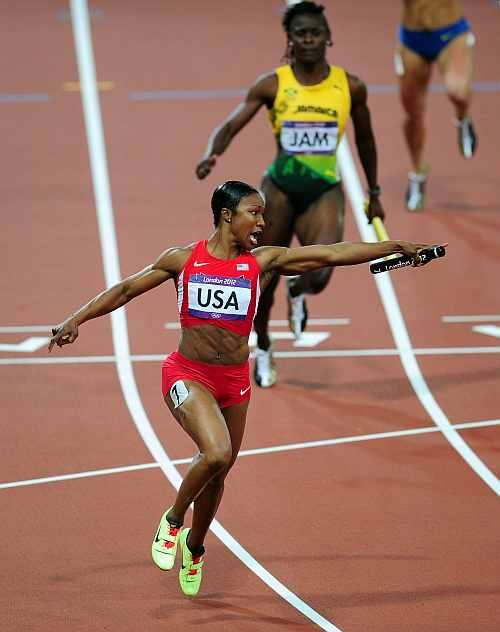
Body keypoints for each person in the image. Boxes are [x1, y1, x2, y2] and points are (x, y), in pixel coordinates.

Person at [48, 180, 431, 597]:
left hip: (233, 382)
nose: (263, 223)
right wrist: (76, 318)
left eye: (263, 214)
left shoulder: (262, 262)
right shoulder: (182, 259)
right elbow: (124, 289)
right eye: (255, 212)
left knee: (219, 474)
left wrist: (393, 246)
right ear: (227, 215)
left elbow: (332, 253)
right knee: (216, 452)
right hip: (186, 375)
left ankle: (195, 546)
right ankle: (174, 521)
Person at [196, 1, 385, 388]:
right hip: (279, 189)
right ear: (291, 39)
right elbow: (232, 123)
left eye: (316, 32)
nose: (309, 38)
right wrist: (213, 152)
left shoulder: (349, 87)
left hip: (324, 190)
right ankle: (263, 344)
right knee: (263, 275)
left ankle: (298, 290)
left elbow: (366, 139)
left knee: (320, 273)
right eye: (301, 33)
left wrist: (374, 191)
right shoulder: (273, 84)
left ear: (328, 37)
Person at [396, 0, 477, 211]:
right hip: (412, 38)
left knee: (457, 91)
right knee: (412, 111)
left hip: (452, 34)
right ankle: (418, 172)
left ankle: (462, 117)